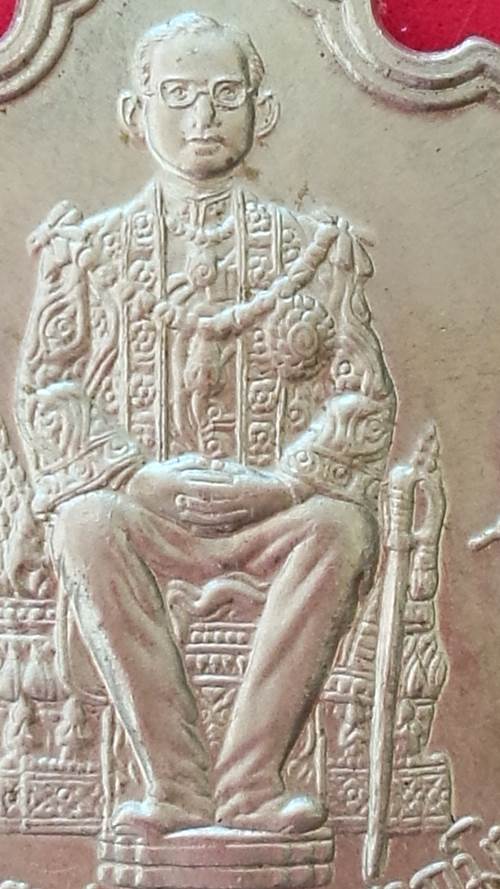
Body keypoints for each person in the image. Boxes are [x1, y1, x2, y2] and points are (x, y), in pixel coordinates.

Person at [16, 11, 395, 839]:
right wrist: (132, 475)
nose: (202, 118)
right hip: (146, 513)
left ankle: (252, 782)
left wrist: (286, 483)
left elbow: (364, 398)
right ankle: (177, 784)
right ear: (134, 111)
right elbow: (45, 389)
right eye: (179, 95)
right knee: (84, 522)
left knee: (341, 526)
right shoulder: (88, 250)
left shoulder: (312, 248)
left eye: (225, 95)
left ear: (264, 109)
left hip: (270, 517)